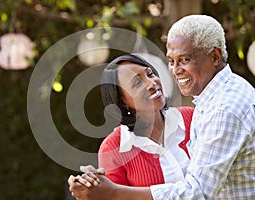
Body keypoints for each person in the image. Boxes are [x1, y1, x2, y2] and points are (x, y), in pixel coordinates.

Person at [68, 14, 255, 199]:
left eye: (184, 60)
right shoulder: (212, 103)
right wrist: (93, 189)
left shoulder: (218, 110)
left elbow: (198, 191)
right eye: (171, 61)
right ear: (123, 100)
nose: (174, 70)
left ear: (215, 57)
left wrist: (113, 193)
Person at [95, 54, 194, 187]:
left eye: (150, 74)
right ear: (123, 101)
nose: (151, 83)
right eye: (137, 83)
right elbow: (114, 195)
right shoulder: (112, 148)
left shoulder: (192, 118)